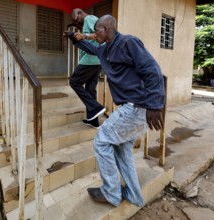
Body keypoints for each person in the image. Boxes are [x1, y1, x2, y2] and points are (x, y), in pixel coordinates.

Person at [64, 15, 165, 207]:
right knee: (122, 149)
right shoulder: (105, 49)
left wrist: (155, 105)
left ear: (107, 28)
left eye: (97, 30)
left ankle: (111, 193)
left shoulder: (128, 42)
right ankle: (134, 194)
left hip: (138, 107)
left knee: (102, 140)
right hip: (134, 109)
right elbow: (89, 47)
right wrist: (73, 37)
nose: (95, 34)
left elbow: (152, 70)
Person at [69, 8, 106, 128]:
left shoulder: (89, 19)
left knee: (74, 81)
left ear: (79, 13)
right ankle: (93, 121)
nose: (77, 22)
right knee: (90, 89)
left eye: (76, 19)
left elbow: (101, 34)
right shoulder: (88, 22)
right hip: (97, 61)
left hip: (90, 60)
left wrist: (84, 36)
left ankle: (96, 107)